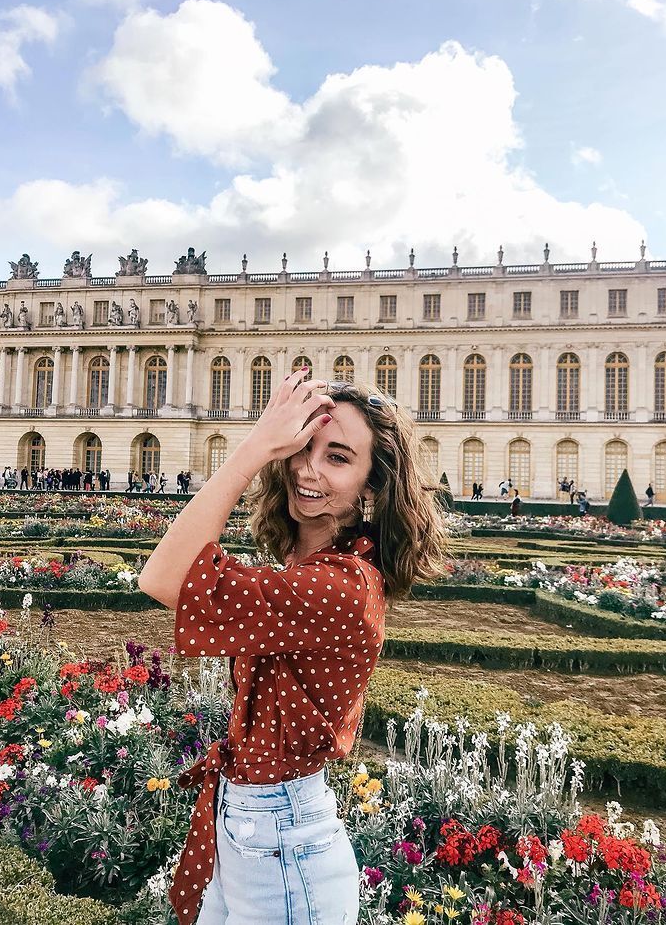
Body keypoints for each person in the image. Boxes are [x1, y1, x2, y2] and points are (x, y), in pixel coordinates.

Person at [138, 371, 447, 925]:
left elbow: (163, 577)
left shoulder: (337, 587)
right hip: (260, 828)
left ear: (371, 489)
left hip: (282, 842)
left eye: (338, 457)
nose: (307, 468)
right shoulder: (310, 573)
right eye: (304, 447)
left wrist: (251, 450)